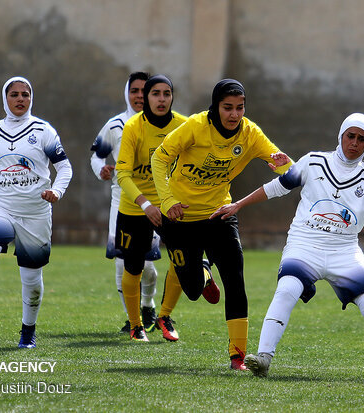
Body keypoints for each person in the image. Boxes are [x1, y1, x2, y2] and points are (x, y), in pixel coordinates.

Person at [211, 113, 364, 381]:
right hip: (305, 243)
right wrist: (238, 204)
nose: (354, 143)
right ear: (340, 136)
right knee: (287, 288)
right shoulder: (314, 161)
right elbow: (277, 187)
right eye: (350, 136)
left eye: (361, 139)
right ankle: (263, 358)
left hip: (345, 250)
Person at [151, 78, 292, 370]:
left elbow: (285, 167)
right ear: (215, 107)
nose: (234, 114)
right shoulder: (195, 126)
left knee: (235, 279)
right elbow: (159, 158)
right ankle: (202, 270)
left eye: (240, 108)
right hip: (180, 216)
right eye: (227, 108)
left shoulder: (251, 134)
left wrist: (285, 163)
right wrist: (166, 202)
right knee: (191, 289)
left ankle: (237, 357)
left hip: (219, 215)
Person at [0, 76, 72, 349]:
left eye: (25, 94)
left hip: (35, 213)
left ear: (31, 98)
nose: (20, 99)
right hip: (1, 208)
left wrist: (56, 191)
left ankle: (28, 332)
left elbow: (65, 168)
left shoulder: (44, 131)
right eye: (14, 94)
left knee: (31, 278)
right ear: (5, 99)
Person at [115, 74, 193, 342]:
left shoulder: (184, 125)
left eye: (167, 94)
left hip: (170, 205)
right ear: (146, 98)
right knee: (133, 266)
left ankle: (165, 315)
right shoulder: (134, 126)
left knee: (182, 261)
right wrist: (146, 204)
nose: (162, 99)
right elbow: (122, 174)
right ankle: (136, 326)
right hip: (136, 207)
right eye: (155, 94)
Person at [90, 71, 162, 334]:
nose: (139, 96)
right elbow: (97, 156)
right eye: (135, 91)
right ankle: (134, 321)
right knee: (123, 263)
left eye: (145, 91)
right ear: (127, 93)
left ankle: (148, 304)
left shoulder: (165, 125)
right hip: (122, 203)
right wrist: (102, 170)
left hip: (156, 203)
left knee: (150, 268)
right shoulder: (115, 125)